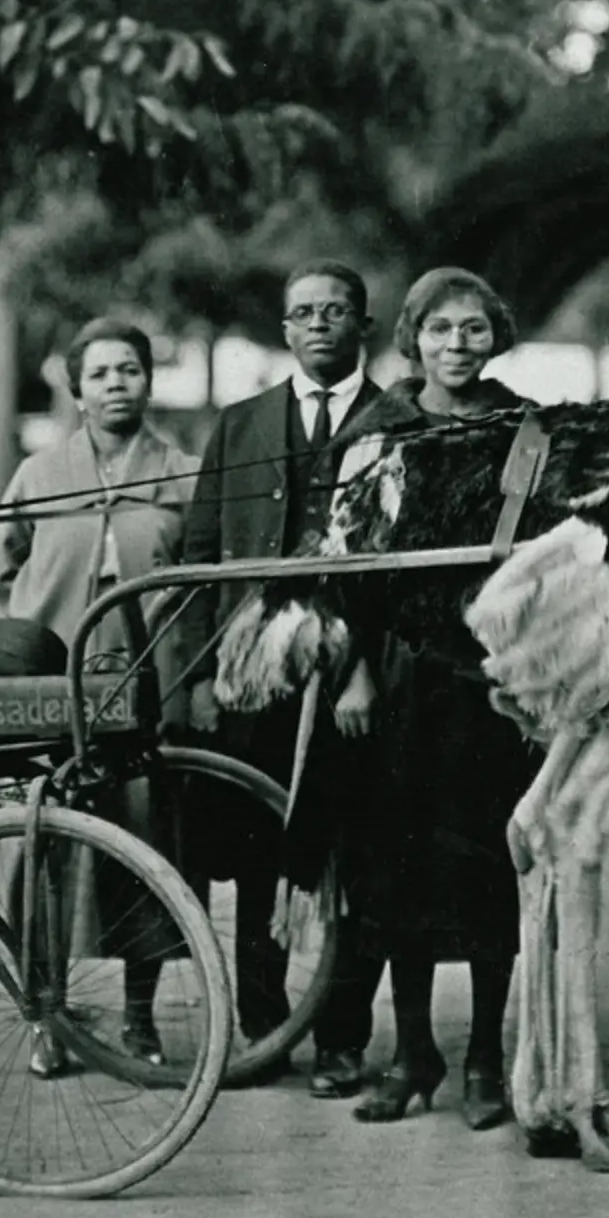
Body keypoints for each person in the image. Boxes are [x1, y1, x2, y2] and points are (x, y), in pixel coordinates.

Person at [327, 266, 534, 1131]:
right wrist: (356, 671)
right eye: (441, 329)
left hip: (488, 683)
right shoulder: (379, 428)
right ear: (413, 338)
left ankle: (486, 1056)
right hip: (400, 677)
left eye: (474, 329)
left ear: (495, 336)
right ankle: (414, 1053)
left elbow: (542, 554)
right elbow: (342, 557)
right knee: (397, 873)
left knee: (486, 871)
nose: (458, 345)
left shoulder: (522, 429)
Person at [177, 259, 384, 1094]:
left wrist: (366, 664)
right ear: (285, 329)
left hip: (358, 676)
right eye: (305, 313)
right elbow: (196, 552)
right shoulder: (242, 423)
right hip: (252, 674)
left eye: (338, 310)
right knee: (258, 852)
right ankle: (264, 1031)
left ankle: (340, 1039)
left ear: (363, 326)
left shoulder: (397, 418)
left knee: (352, 855)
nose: (321, 324)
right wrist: (198, 671)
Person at [0, 317, 198, 1073]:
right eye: (100, 374)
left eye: (129, 370)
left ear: (148, 381)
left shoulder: (182, 473)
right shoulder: (40, 475)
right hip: (57, 688)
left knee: (147, 848)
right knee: (51, 851)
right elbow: (1, 566)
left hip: (149, 684)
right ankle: (48, 1015)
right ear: (77, 392)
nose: (116, 385)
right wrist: (46, 622)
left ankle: (141, 1019)